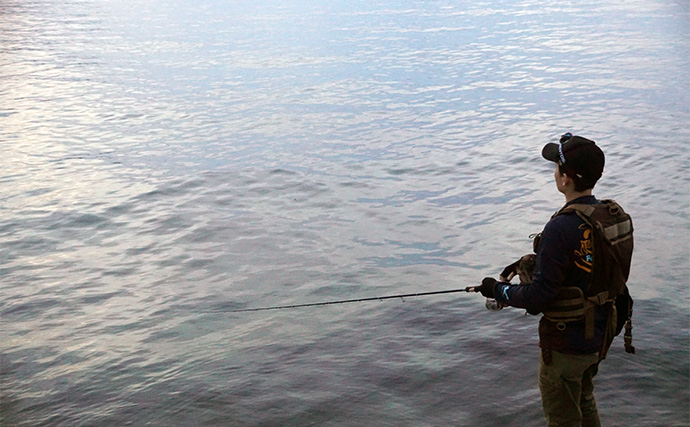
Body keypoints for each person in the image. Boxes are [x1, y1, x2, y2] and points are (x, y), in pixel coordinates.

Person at [474, 133, 634, 427]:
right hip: (600, 335)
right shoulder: (610, 215)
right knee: (584, 399)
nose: (555, 173)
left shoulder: (561, 227)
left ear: (565, 179)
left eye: (556, 167)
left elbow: (537, 298)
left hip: (566, 345)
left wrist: (497, 289)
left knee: (563, 418)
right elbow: (588, 267)